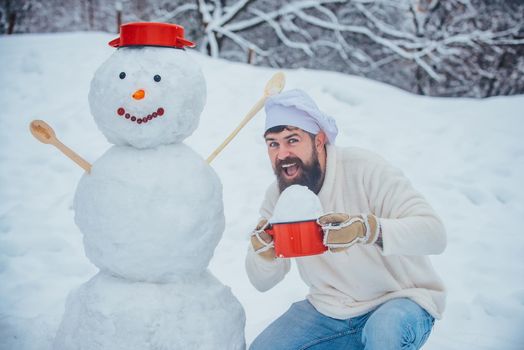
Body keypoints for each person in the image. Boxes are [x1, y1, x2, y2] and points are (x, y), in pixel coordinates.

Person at [245, 89, 446, 350]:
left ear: (318, 140)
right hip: (328, 310)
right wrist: (264, 252)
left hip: (399, 301)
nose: (282, 154)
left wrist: (367, 229)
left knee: (384, 333)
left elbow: (434, 233)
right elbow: (262, 283)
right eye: (273, 143)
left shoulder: (364, 169)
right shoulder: (278, 197)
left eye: (292, 140)